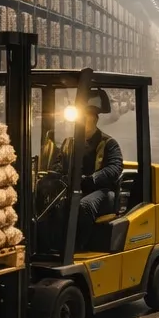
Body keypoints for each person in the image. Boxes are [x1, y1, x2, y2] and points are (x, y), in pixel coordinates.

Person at [49, 89, 124, 230]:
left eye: (85, 117)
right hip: (75, 189)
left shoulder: (108, 143)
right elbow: (57, 164)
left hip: (102, 191)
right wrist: (56, 175)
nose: (81, 121)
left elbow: (115, 168)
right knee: (52, 205)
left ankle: (79, 245)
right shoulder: (69, 143)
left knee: (84, 206)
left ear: (94, 119)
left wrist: (92, 179)